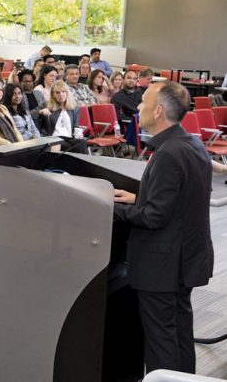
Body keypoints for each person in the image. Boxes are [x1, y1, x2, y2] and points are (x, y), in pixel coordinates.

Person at [111, 81, 212, 374]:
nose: (138, 107)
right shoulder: (190, 143)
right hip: (186, 259)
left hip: (163, 266)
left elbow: (154, 217)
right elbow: (178, 199)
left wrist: (110, 208)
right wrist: (139, 197)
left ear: (158, 111)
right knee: (179, 335)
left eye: (143, 102)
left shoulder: (168, 154)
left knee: (161, 342)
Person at [37, 81, 86, 154]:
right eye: (57, 92)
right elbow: (31, 114)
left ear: (67, 93)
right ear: (53, 94)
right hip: (54, 138)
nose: (61, 95)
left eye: (63, 92)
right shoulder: (47, 105)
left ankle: (85, 165)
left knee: (81, 143)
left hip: (70, 137)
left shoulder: (74, 107)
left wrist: (79, 132)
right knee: (68, 147)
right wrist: (41, 111)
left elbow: (75, 126)